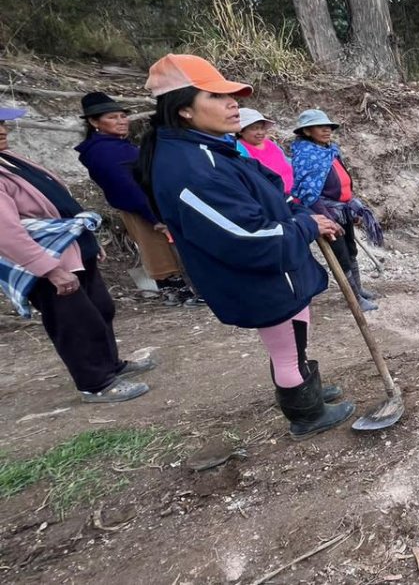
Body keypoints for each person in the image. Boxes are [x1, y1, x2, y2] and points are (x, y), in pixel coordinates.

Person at [135, 54, 353, 439]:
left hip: (277, 270)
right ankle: (306, 413)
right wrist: (306, 225)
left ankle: (304, 384)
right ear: (183, 108)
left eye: (231, 95)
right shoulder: (192, 169)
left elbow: (266, 190)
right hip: (260, 276)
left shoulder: (213, 148)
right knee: (286, 345)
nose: (232, 103)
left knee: (292, 340)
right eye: (216, 96)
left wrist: (297, 210)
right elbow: (247, 239)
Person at [0, 105, 155, 403]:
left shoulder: (10, 159)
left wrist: (88, 243)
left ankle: (110, 365)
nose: (2, 130)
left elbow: (58, 202)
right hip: (47, 259)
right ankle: (95, 383)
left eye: (3, 124)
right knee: (74, 321)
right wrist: (49, 269)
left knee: (100, 309)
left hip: (71, 247)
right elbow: (7, 233)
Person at [74, 91, 199, 305]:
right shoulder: (103, 151)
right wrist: (154, 215)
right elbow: (125, 186)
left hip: (149, 203)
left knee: (160, 248)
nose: (121, 121)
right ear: (94, 122)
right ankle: (178, 294)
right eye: (112, 117)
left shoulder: (116, 146)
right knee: (158, 249)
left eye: (123, 116)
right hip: (141, 206)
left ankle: (180, 292)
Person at [291, 109, 384, 312]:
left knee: (351, 250)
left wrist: (351, 205)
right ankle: (354, 299)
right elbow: (308, 193)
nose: (327, 130)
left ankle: (358, 289)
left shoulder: (330, 150)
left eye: (329, 127)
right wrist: (327, 219)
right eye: (320, 127)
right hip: (325, 212)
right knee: (341, 256)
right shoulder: (306, 156)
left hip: (342, 209)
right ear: (306, 131)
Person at [236, 108, 293, 195]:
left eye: (262, 128)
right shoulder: (239, 148)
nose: (260, 132)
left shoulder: (269, 143)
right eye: (254, 128)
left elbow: (285, 160)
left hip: (295, 189)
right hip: (277, 195)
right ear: (241, 131)